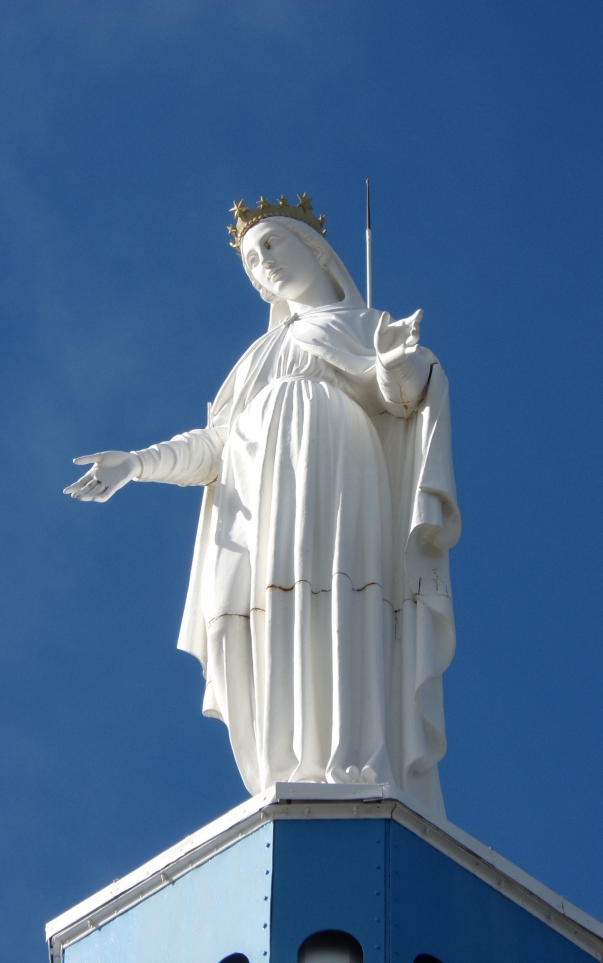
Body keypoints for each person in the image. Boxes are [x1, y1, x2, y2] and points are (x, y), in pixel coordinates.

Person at [65, 195, 460, 817]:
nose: (263, 263)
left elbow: (403, 395)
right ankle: (284, 764)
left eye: (273, 245)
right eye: (251, 260)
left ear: (319, 253)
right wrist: (137, 463)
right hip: (255, 495)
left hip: (337, 472)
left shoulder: (363, 325)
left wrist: (399, 367)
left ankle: (350, 756)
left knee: (339, 599)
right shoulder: (253, 361)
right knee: (261, 614)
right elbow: (214, 446)